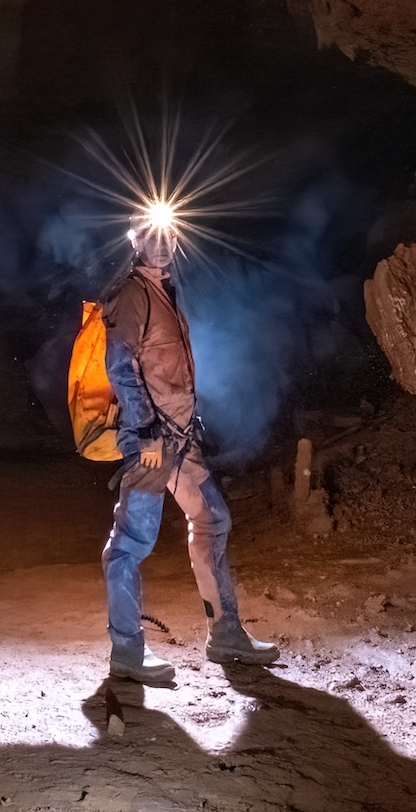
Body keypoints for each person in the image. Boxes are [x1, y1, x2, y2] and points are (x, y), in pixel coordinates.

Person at [99, 217, 281, 686]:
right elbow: (121, 368)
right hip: (154, 445)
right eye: (150, 236)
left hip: (180, 441)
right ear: (134, 241)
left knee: (213, 519)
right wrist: (144, 433)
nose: (160, 245)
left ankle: (226, 635)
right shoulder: (132, 294)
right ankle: (127, 651)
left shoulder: (167, 291)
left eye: (167, 236)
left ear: (176, 240)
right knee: (132, 543)